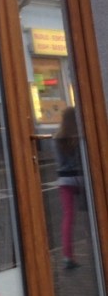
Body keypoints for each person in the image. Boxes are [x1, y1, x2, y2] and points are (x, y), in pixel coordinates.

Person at [54, 105, 83, 269]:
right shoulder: (78, 137)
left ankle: (67, 256)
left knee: (68, 218)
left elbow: (60, 162)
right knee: (95, 212)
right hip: (80, 179)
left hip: (64, 181)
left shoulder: (58, 138)